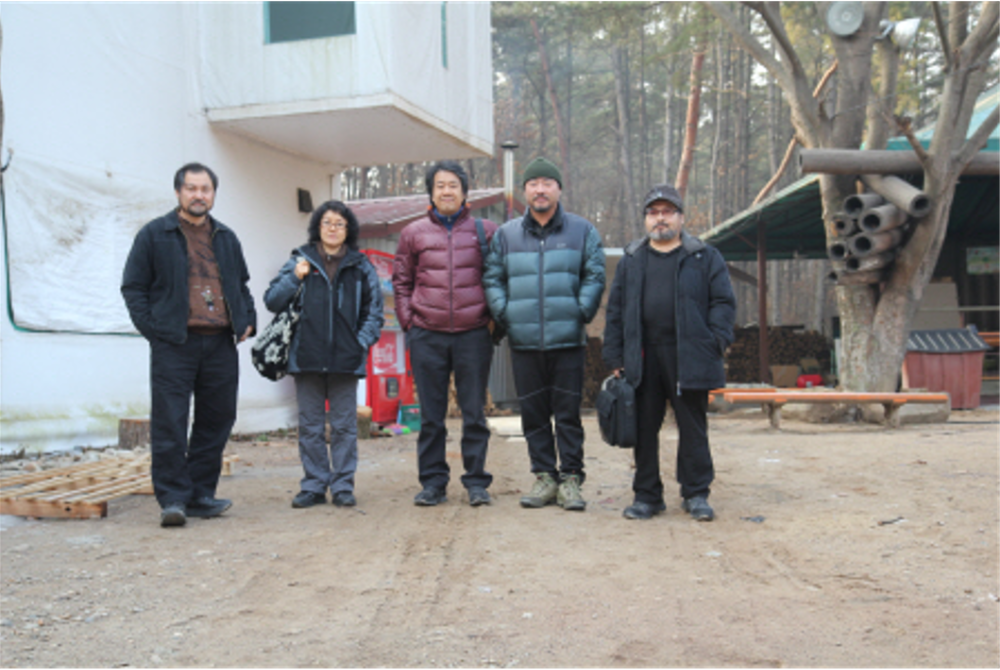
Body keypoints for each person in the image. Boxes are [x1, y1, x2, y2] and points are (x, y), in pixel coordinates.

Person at [122, 163, 257, 528]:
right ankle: (173, 500)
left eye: (205, 189)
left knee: (217, 419)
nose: (199, 195)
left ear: (213, 194)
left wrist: (247, 319)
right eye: (192, 188)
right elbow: (133, 287)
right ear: (178, 192)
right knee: (171, 421)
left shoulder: (226, 237)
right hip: (174, 344)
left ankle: (200, 495)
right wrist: (155, 330)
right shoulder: (155, 234)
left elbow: (241, 285)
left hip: (220, 343)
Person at [603, 184, 736, 521]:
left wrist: (715, 341)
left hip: (689, 355)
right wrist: (615, 356)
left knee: (692, 427)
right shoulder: (632, 259)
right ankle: (647, 496)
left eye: (667, 212)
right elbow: (615, 309)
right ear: (646, 219)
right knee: (644, 429)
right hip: (642, 357)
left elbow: (723, 302)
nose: (660, 218)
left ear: (680, 217)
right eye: (653, 213)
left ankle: (696, 493)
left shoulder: (703, 256)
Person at [483, 157, 605, 511]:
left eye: (547, 183)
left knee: (567, 414)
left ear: (558, 189)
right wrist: (506, 313)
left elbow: (595, 274)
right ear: (525, 191)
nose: (540, 190)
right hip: (523, 342)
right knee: (533, 414)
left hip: (568, 341)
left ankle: (571, 479)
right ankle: (544, 478)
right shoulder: (506, 235)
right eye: (533, 184)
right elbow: (492, 277)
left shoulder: (582, 231)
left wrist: (580, 311)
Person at [264, 201, 383, 509]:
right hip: (307, 358)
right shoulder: (300, 259)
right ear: (317, 227)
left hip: (346, 360)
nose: (333, 228)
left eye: (339, 224)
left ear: (348, 230)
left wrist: (359, 344)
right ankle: (314, 485)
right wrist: (295, 277)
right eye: (327, 222)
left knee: (344, 427)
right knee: (310, 427)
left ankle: (342, 486)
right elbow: (272, 300)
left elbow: (374, 312)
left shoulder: (361, 266)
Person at [392, 161, 497, 507]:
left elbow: (499, 278)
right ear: (431, 193)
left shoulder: (486, 231)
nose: (447, 191)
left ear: (464, 191)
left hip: (473, 334)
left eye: (453, 185)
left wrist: (493, 322)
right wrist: (409, 322)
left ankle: (476, 482)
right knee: (431, 417)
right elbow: (402, 282)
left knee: (474, 413)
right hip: (427, 334)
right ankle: (433, 483)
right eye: (440, 185)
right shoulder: (413, 233)